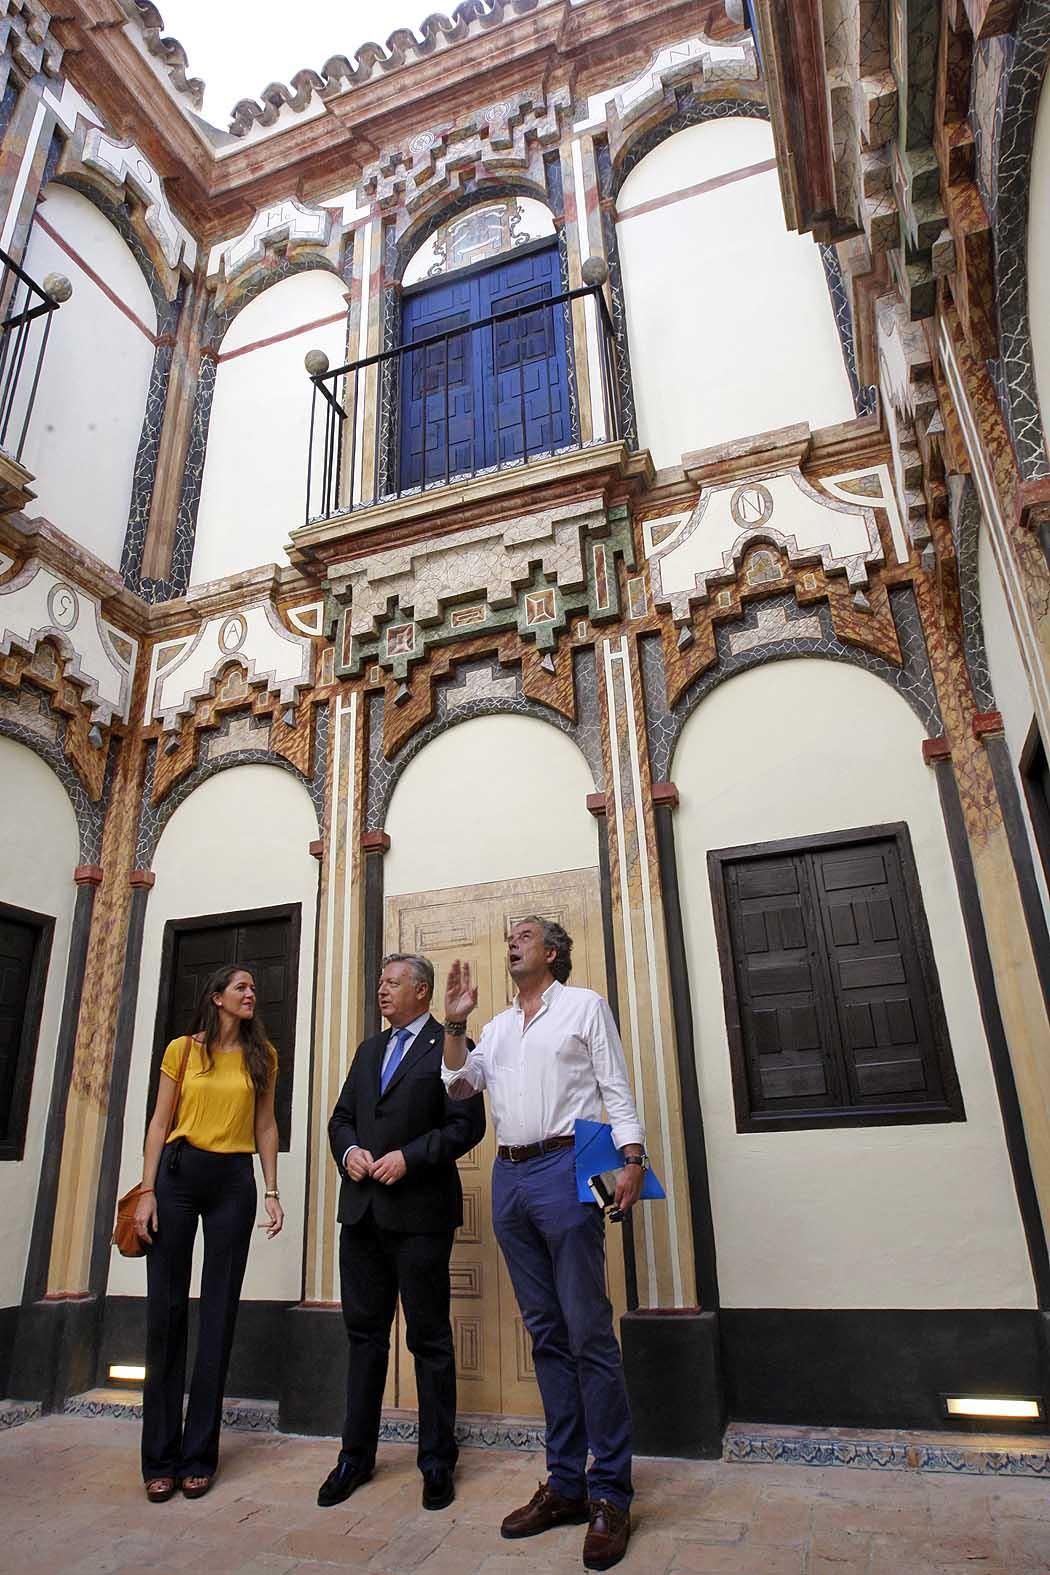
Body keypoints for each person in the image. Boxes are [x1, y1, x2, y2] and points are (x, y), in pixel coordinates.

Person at [442, 917, 646, 1573]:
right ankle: (566, 1483)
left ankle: (611, 1491)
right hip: (510, 1176)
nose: (511, 940)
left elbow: (613, 1083)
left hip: (568, 1164)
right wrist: (454, 1023)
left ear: (551, 951)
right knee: (547, 1333)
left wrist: (632, 1156)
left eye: (524, 934)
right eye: (510, 935)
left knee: (588, 1331)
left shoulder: (584, 1005)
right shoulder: (497, 1026)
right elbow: (459, 1084)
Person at [320, 953, 486, 1512]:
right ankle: (355, 1457)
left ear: (422, 991)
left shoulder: (450, 1045)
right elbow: (340, 1118)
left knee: (430, 1341)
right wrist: (350, 1152)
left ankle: (437, 1462)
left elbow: (467, 1125)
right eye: (380, 981)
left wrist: (408, 1159)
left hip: (419, 1217)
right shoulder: (370, 1050)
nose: (382, 990)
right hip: (362, 1215)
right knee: (364, 1339)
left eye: (392, 982)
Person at [134, 964, 284, 1503]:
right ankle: (159, 1458)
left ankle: (199, 1456)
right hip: (176, 1177)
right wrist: (146, 1189)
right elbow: (158, 1121)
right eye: (241, 987)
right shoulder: (181, 1050)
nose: (251, 993)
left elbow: (265, 1125)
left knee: (218, 1314)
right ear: (217, 998)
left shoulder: (262, 1056)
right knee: (166, 1312)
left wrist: (271, 1190)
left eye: (252, 986)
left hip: (233, 1184)